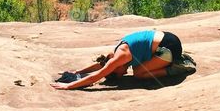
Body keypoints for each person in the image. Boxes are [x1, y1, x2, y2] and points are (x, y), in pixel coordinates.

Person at [51, 28, 191, 90]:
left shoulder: (121, 56)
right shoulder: (114, 54)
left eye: (119, 73)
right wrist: (77, 72)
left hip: (168, 47)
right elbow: (101, 65)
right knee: (138, 69)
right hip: (168, 39)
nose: (124, 74)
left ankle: (176, 68)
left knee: (139, 74)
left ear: (115, 67)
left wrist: (69, 86)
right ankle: (172, 60)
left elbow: (98, 75)